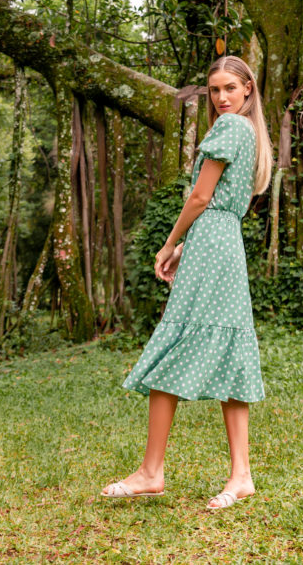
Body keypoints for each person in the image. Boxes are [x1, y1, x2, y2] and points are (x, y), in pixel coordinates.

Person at [101, 55, 273, 510]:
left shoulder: (230, 127)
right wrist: (187, 247)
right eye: (214, 90)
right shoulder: (247, 131)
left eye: (230, 88)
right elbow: (216, 204)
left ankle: (151, 472)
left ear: (248, 89)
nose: (221, 98)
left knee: (175, 344)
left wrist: (169, 242)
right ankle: (241, 475)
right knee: (228, 350)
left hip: (212, 242)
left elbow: (200, 196)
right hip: (222, 242)